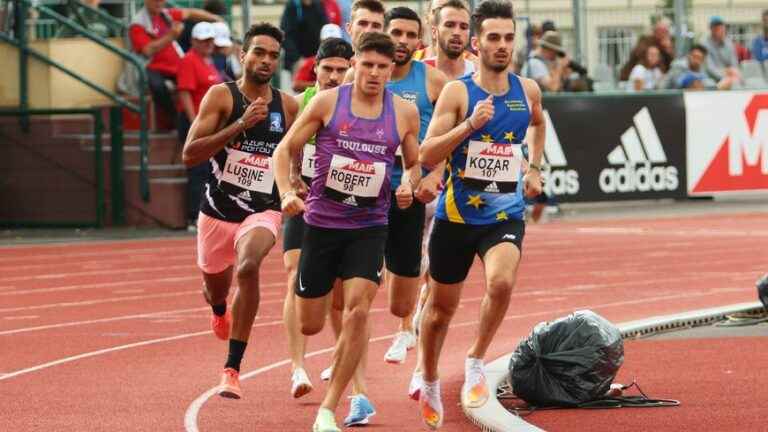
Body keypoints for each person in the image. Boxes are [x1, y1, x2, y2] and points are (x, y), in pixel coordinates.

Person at [274, 31, 421, 432]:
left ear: (392, 71)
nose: (374, 73)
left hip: (369, 227)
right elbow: (284, 149)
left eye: (382, 67)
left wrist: (408, 182)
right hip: (320, 225)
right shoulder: (327, 102)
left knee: (358, 309)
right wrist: (287, 191)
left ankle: (330, 407)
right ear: (355, 63)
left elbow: (413, 162)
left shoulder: (404, 112)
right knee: (310, 322)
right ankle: (321, 369)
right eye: (367, 64)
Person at [416, 0, 544, 428]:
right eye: (493, 38)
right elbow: (426, 153)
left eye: (509, 37)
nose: (503, 45)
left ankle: (475, 360)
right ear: (477, 43)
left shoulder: (527, 90)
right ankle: (430, 378)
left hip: (504, 215)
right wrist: (470, 125)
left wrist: (537, 167)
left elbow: (539, 122)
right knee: (438, 313)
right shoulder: (458, 92)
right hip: (455, 217)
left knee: (502, 281)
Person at [181, 22, 299, 399]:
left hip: (262, 210)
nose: (266, 61)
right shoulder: (221, 97)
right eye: (259, 53)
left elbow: (293, 157)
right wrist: (239, 126)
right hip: (217, 210)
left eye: (273, 56)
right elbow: (189, 154)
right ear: (242, 55)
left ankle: (232, 369)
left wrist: (295, 181)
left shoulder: (288, 105)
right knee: (215, 285)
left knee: (248, 267)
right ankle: (218, 308)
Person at [281, 36, 354, 400]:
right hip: (304, 204)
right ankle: (297, 367)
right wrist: (291, 185)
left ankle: (343, 359)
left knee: (340, 296)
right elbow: (284, 150)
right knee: (294, 274)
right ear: (316, 70)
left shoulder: (359, 108)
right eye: (328, 69)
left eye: (342, 70)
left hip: (342, 209)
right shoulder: (298, 105)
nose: (334, 77)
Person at [129, 0, 221, 124]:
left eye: (161, 0)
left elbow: (189, 13)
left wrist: (216, 18)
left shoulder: (165, 14)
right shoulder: (138, 23)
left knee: (199, 81)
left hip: (174, 66)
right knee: (158, 86)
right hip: (151, 67)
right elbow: (147, 50)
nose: (158, 3)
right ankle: (175, 119)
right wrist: (171, 35)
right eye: (155, 1)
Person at [177, 22, 224, 230]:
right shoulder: (189, 60)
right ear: (194, 41)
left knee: (208, 171)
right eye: (203, 40)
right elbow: (185, 92)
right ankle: (193, 216)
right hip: (198, 123)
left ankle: (206, 213)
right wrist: (194, 121)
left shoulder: (208, 61)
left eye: (210, 40)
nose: (208, 44)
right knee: (198, 170)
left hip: (211, 125)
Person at [423, 0, 476, 80]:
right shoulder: (417, 72)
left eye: (464, 27)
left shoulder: (478, 72)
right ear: (434, 31)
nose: (457, 32)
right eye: (449, 25)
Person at [413, 0, 477, 65]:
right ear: (427, 17)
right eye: (439, 9)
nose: (456, 32)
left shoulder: (474, 65)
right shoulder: (412, 61)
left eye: (463, 27)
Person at [280, 0, 329, 73]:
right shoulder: (293, 6)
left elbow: (325, 31)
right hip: (298, 62)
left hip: (317, 60)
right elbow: (285, 36)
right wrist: (297, 58)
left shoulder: (318, 5)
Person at [293, 24, 345, 93]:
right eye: (327, 42)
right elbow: (296, 85)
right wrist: (322, 84)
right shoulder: (311, 61)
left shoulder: (349, 60)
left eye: (336, 42)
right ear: (321, 42)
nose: (331, 46)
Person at [662, 44, 734, 91]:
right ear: (688, 55)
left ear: (703, 60)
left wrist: (725, 80)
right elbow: (687, 83)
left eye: (699, 58)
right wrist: (716, 87)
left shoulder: (704, 68)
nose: (696, 60)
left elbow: (718, 78)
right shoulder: (678, 66)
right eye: (694, 56)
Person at [702, 16, 742, 85]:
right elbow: (710, 69)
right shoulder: (704, 44)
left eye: (721, 26)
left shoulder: (729, 43)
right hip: (712, 79)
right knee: (710, 83)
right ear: (711, 29)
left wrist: (732, 73)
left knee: (739, 79)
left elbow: (734, 64)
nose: (719, 29)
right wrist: (726, 73)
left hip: (730, 77)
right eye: (716, 27)